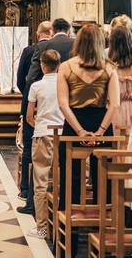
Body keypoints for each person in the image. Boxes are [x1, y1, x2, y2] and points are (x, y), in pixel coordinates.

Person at [56, 23, 120, 206]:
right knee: (103, 176)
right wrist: (100, 131)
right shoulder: (109, 68)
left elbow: (63, 103)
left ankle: (70, 225)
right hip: (102, 121)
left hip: (75, 123)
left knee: (71, 175)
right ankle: (102, 222)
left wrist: (80, 131)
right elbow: (114, 104)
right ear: (100, 42)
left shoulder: (66, 67)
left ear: (79, 42)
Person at [26, 49, 64, 239]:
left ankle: (42, 228)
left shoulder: (36, 86)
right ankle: (62, 224)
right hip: (63, 135)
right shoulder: (66, 85)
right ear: (59, 65)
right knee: (63, 179)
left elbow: (29, 116)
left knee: (40, 182)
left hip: (42, 135)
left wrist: (39, 125)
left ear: (42, 65)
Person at [16, 20, 52, 214]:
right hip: (54, 108)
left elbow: (21, 79)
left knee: (29, 147)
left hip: (33, 105)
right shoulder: (62, 48)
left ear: (38, 34)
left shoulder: (30, 50)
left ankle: (25, 189)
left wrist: (31, 98)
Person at [25, 18, 75, 86]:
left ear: (52, 31)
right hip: (70, 91)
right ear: (68, 32)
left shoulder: (42, 46)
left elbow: (31, 77)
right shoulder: (77, 45)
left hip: (46, 92)